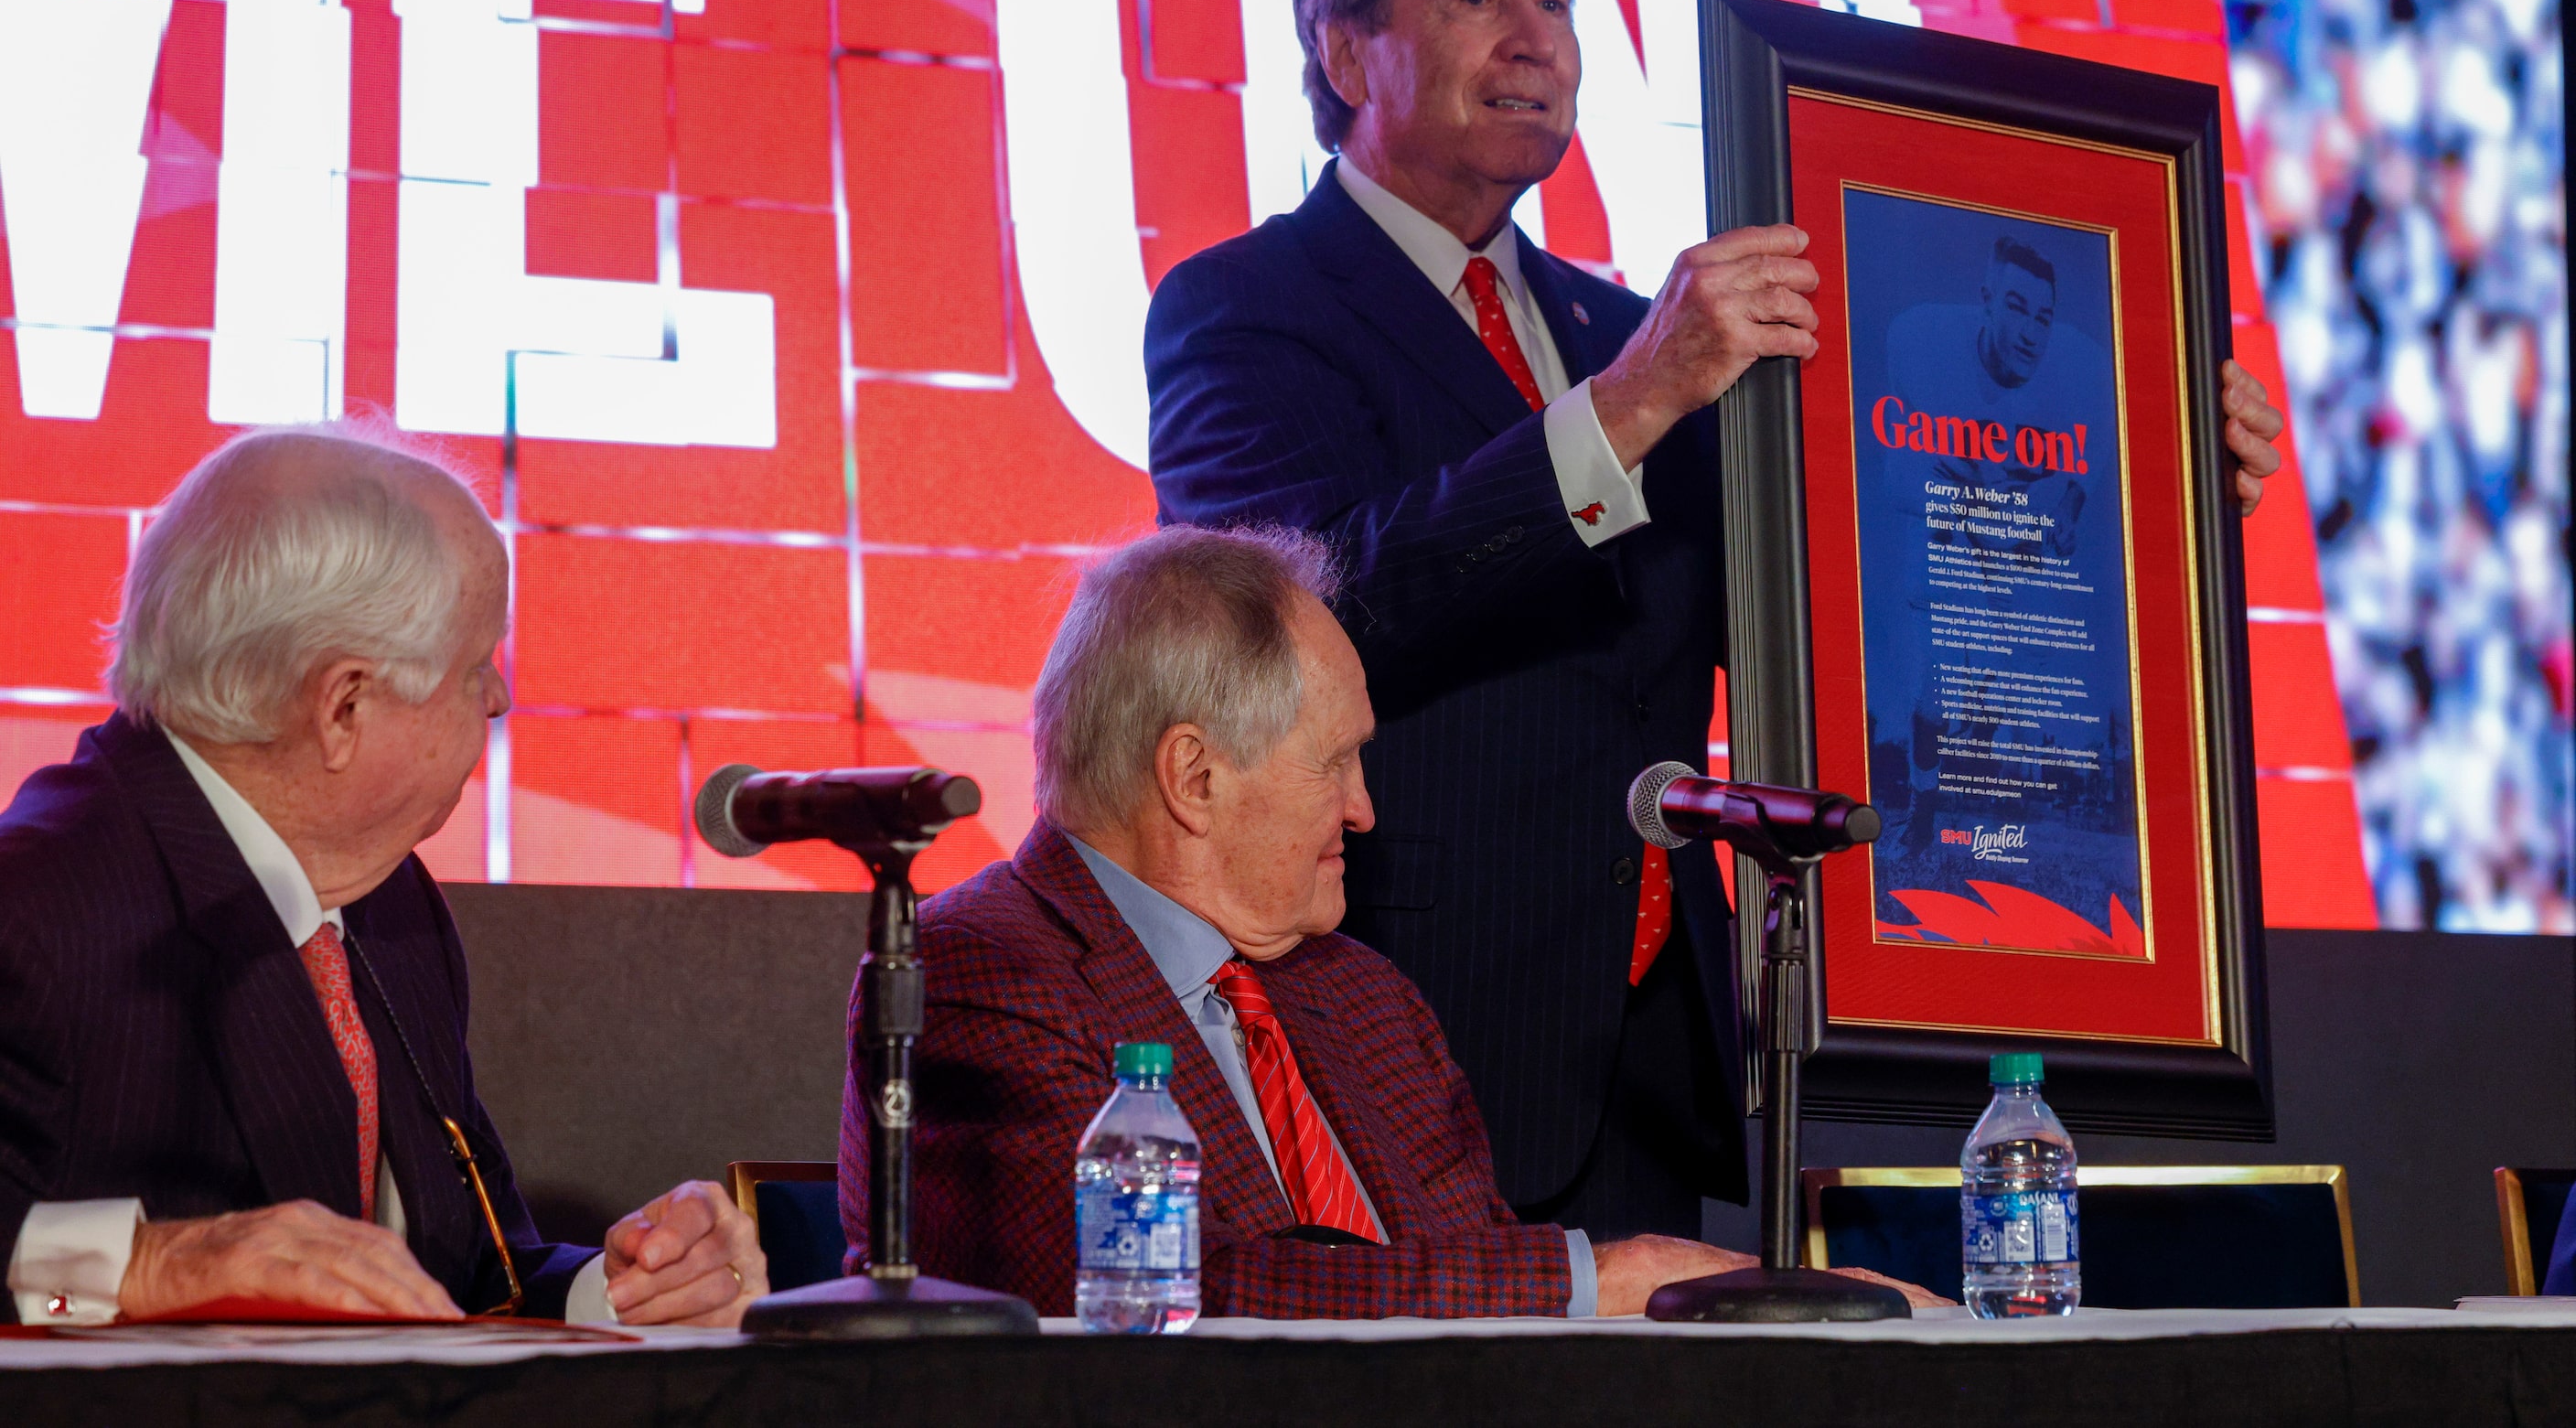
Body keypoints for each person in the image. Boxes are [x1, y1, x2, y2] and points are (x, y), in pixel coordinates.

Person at [1143, 0, 2288, 1240]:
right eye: (1476, 0)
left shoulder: (1632, 325)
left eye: (1558, 3)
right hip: (1392, 1022)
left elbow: (1862, 597)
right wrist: (1635, 400)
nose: (1537, 42)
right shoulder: (1248, 306)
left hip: (1642, 1049)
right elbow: (1304, 610)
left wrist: (2144, 484)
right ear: (1344, 47)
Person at [838, 526, 1939, 1317]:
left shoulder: (1360, 993)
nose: (1364, 809)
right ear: (1194, 777)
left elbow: (1474, 1278)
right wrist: (1610, 1275)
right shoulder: (980, 970)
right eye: (1333, 764)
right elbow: (1150, 1291)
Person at [0, 424, 768, 1326]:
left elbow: (462, 1272)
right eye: (476, 665)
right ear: (345, 704)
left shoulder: (392, 907)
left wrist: (629, 1289)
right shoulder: (34, 909)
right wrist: (150, 1265)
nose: (498, 698)